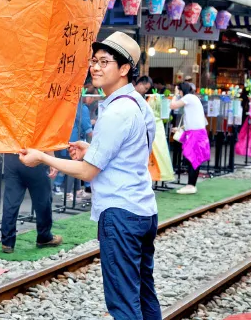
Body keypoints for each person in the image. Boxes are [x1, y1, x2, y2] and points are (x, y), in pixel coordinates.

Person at [19, 31, 161, 320]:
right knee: (144, 291)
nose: (95, 67)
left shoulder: (116, 112)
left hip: (120, 213)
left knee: (123, 301)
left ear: (124, 69)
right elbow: (128, 151)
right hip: (143, 208)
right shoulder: (138, 104)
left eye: (104, 62)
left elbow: (87, 171)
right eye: (94, 61)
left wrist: (44, 157)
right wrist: (91, 148)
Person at [0, 153, 62, 254]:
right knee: (42, 200)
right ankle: (44, 237)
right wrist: (52, 160)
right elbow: (45, 137)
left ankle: (7, 242)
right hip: (34, 155)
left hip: (11, 155)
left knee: (11, 201)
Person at [169, 82, 210, 194]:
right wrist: (180, 128)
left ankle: (191, 185)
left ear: (182, 90)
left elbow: (172, 105)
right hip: (196, 132)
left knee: (192, 159)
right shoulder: (193, 98)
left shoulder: (188, 97)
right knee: (192, 159)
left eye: (179, 90)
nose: (179, 93)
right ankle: (191, 185)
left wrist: (175, 95)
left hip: (195, 134)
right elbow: (193, 118)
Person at [53, 87, 94, 196]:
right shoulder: (82, 108)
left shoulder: (66, 107)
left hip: (65, 139)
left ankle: (74, 190)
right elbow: (88, 129)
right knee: (72, 166)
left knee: (69, 164)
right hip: (74, 141)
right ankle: (67, 191)